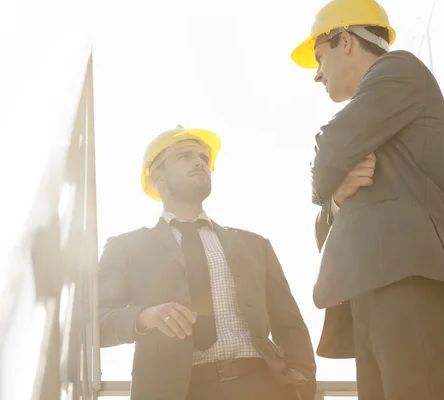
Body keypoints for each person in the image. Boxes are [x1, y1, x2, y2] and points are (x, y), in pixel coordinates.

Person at [290, 0, 444, 399]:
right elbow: (326, 234)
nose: (317, 75)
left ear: (346, 41)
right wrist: (337, 197)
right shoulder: (378, 116)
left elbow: (329, 152)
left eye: (320, 57)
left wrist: (329, 178)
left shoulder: (399, 70)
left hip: (407, 282)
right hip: (370, 294)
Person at [97, 125, 316, 400]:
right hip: (179, 392)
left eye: (203, 158)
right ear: (158, 175)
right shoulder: (126, 248)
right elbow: (96, 323)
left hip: (261, 386)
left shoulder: (255, 245)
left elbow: (290, 325)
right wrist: (144, 316)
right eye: (184, 156)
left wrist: (303, 386)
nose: (200, 163)